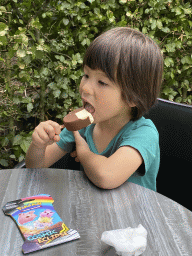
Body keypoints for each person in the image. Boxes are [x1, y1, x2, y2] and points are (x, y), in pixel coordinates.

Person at [26, 27, 163, 191]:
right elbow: (35, 167)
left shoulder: (143, 133)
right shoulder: (83, 124)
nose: (85, 88)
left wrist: (83, 153)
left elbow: (106, 176)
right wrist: (38, 145)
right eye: (86, 75)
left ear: (132, 97)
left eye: (102, 82)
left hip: (135, 214)